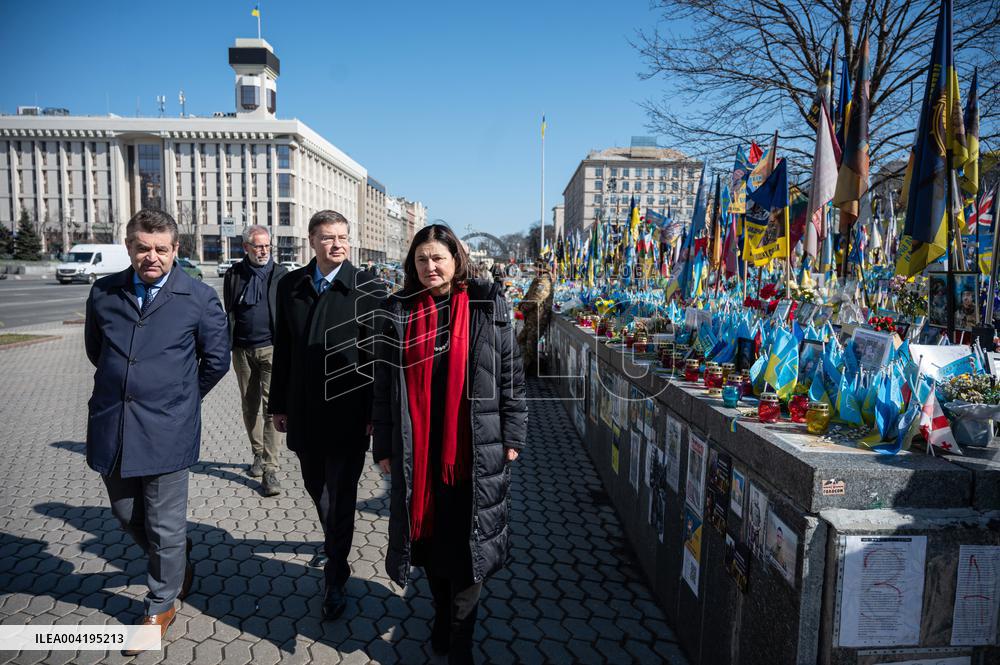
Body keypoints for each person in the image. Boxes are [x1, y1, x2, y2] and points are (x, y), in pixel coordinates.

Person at [373, 224, 528, 664]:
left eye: (438, 258)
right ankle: (441, 613)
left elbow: (511, 376)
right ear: (412, 265)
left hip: (472, 452)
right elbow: (383, 388)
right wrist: (383, 445)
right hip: (417, 453)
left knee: (468, 549)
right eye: (422, 260)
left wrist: (513, 436)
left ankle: (461, 640)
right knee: (430, 547)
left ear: (457, 259)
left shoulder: (486, 304)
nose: (430, 267)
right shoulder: (396, 311)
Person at [84, 209, 230, 654]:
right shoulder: (104, 292)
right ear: (129, 247)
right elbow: (97, 351)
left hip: (168, 429)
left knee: (165, 526)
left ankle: (160, 603)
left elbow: (217, 360)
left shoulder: (199, 298)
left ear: (175, 250)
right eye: (143, 248)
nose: (152, 257)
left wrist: (180, 399)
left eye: (161, 249)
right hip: (114, 425)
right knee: (127, 514)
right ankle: (175, 562)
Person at [269, 210, 384, 620]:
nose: (338, 244)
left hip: (349, 411)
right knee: (316, 487)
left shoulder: (369, 287)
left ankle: (336, 574)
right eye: (329, 238)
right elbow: (283, 347)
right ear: (312, 241)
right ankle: (335, 545)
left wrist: (375, 410)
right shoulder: (291, 286)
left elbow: (377, 356)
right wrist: (277, 404)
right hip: (302, 407)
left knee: (340, 496)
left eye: (343, 237)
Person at [223, 225, 288, 496]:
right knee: (249, 407)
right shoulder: (234, 274)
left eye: (266, 246)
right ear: (246, 248)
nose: (263, 250)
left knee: (272, 409)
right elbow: (228, 311)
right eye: (257, 246)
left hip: (273, 349)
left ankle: (271, 468)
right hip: (241, 350)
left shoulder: (282, 275)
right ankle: (258, 454)